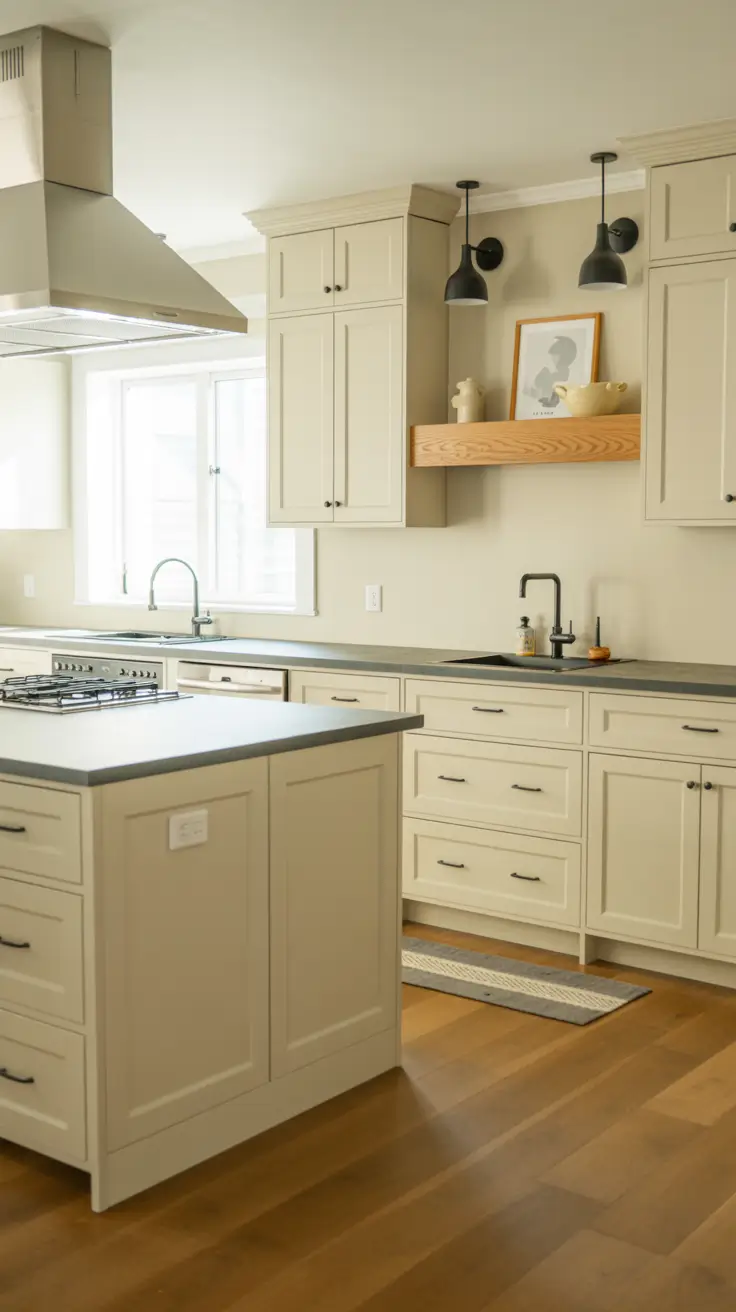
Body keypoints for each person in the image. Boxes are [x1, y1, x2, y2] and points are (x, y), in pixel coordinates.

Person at [526, 335, 578, 409]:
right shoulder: (551, 372)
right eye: (553, 355)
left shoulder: (562, 374)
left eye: (555, 355)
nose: (552, 358)